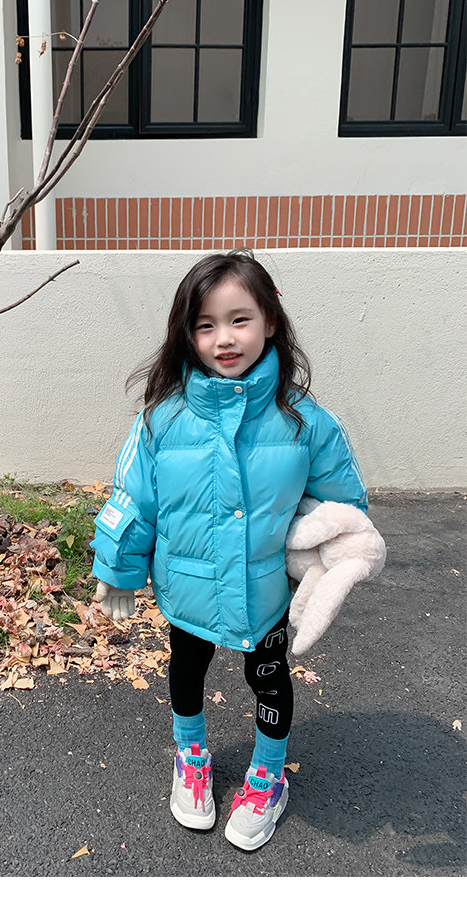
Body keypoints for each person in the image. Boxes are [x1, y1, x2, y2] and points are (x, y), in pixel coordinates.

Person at [90, 249, 367, 851]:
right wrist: (117, 569)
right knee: (186, 668)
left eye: (239, 319)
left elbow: (342, 507)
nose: (223, 339)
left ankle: (268, 774)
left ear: (270, 320)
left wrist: (334, 558)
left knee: (268, 677)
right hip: (186, 585)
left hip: (267, 590)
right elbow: (133, 498)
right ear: (186, 334)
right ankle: (190, 754)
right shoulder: (163, 420)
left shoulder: (306, 422)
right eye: (205, 324)